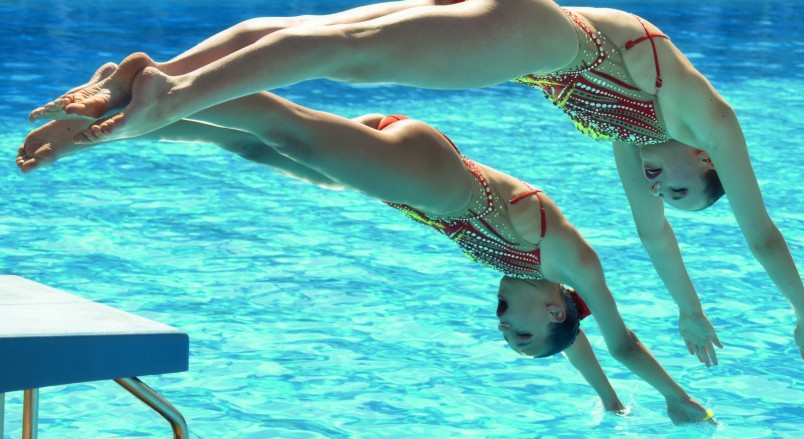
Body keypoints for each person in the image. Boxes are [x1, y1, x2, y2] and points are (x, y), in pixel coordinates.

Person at [30, 0, 804, 390]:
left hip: (496, 22)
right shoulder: (702, 114)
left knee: (308, 39)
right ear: (706, 162)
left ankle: (143, 80)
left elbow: (653, 239)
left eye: (669, 195)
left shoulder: (633, 143)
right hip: (535, 33)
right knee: (343, 54)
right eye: (686, 187)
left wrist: (690, 310)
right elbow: (760, 231)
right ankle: (171, 95)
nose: (665, 190)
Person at [16, 75, 712, 425]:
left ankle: (109, 123)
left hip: (407, 180)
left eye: (507, 334)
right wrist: (681, 401)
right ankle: (154, 89)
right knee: (284, 128)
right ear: (558, 306)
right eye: (521, 329)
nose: (504, 324)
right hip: (436, 179)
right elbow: (613, 338)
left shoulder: (543, 286)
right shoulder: (572, 263)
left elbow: (581, 346)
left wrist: (612, 405)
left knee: (251, 144)